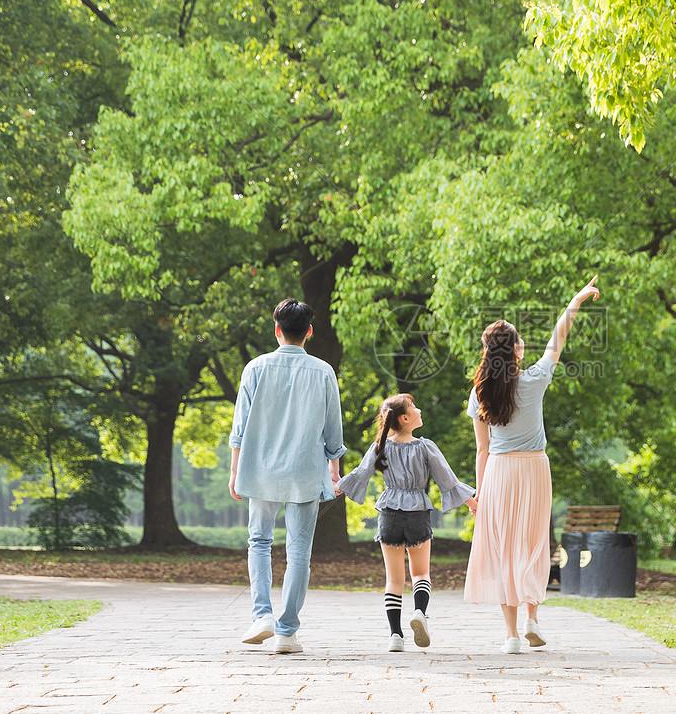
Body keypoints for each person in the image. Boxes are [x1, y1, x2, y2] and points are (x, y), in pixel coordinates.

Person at [463, 276, 602, 654]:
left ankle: (510, 636)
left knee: (505, 549)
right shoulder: (535, 379)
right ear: (517, 352)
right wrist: (575, 300)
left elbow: (481, 450)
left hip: (500, 473)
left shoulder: (480, 395)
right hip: (535, 470)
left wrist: (480, 493)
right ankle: (533, 619)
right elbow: (559, 337)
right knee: (534, 545)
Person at [228, 298, 346, 654]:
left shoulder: (255, 368)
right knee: (299, 553)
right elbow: (333, 431)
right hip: (305, 471)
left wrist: (235, 470)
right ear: (309, 332)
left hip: (260, 469)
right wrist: (335, 471)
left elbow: (240, 426)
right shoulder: (323, 371)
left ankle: (261, 615)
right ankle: (287, 631)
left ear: (276, 330)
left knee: (259, 541)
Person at [335, 393, 477, 652]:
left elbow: (360, 473)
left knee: (394, 580)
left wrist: (338, 487)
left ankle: (395, 636)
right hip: (417, 513)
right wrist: (472, 503)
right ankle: (420, 613)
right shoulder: (425, 446)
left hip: (388, 514)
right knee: (421, 573)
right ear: (405, 418)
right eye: (414, 407)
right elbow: (448, 480)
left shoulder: (380, 445)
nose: (419, 409)